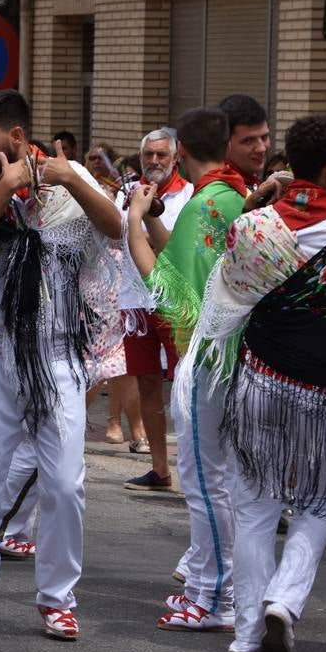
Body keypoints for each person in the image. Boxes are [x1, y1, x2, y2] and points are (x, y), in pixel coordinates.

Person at [0, 90, 125, 642]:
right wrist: (7, 185)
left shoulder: (72, 185)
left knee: (66, 483)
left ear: (16, 138)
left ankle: (57, 598)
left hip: (57, 352)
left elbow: (115, 229)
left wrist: (69, 180)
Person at [186, 115, 326, 652]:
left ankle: (246, 631)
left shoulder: (253, 225)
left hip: (261, 380)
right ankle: (285, 601)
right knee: (316, 500)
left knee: (256, 506)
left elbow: (233, 296)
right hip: (323, 393)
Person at [126, 105, 247, 631]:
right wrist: (150, 219)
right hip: (230, 356)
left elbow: (174, 296)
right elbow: (186, 259)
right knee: (216, 481)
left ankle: (216, 599)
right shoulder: (232, 195)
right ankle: (204, 585)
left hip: (210, 356)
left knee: (205, 484)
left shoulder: (207, 203)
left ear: (182, 153)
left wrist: (133, 226)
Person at [119, 127, 192, 489]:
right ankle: (160, 469)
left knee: (183, 383)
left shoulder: (190, 195)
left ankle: (194, 467)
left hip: (175, 302)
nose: (154, 161)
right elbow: (119, 237)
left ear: (176, 157)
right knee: (147, 383)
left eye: (162, 155)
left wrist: (142, 219)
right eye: (149, 155)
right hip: (134, 298)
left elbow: (170, 247)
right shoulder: (129, 192)